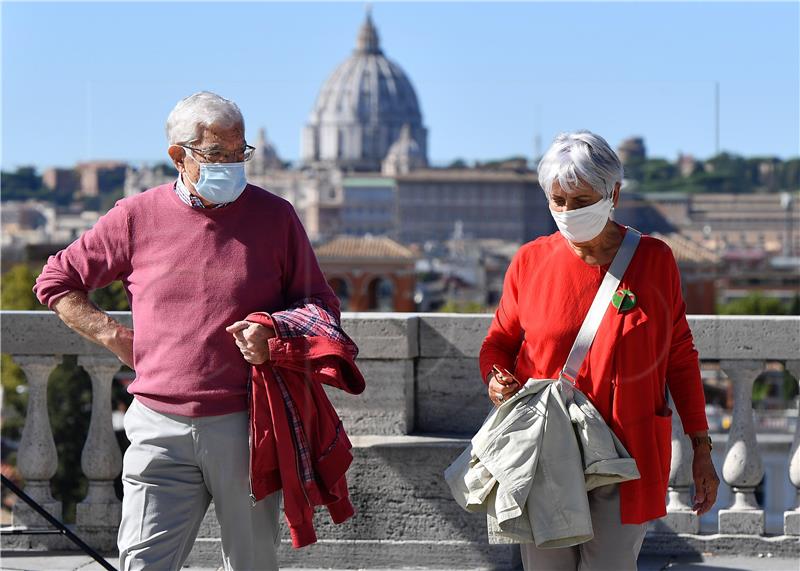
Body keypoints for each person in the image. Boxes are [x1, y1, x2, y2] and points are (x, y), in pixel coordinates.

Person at [33, 91, 340, 570]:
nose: (233, 165)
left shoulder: (276, 217)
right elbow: (56, 281)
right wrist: (113, 336)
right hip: (157, 424)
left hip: (247, 423)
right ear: (178, 156)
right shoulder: (134, 216)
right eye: (217, 155)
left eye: (241, 153)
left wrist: (273, 331)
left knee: (252, 564)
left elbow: (320, 307)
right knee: (143, 563)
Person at [479, 130, 719, 570]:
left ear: (614, 194)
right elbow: (498, 342)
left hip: (627, 454)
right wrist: (496, 378)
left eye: (582, 200)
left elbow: (679, 357)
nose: (569, 212)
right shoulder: (530, 261)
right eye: (558, 201)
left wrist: (701, 446)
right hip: (546, 450)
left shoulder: (654, 260)